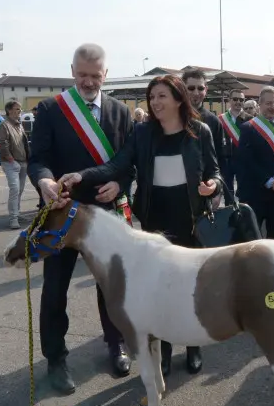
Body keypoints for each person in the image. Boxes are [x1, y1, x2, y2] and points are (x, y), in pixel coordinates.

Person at [59, 74, 221, 377]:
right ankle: (166, 348)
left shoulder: (200, 131)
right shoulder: (143, 132)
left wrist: (214, 185)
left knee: (191, 287)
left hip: (190, 220)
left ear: (177, 98)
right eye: (152, 97)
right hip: (154, 220)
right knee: (161, 288)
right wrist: (82, 175)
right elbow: (118, 164)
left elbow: (215, 170)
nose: (155, 102)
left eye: (162, 96)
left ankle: (194, 346)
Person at [27, 43, 134, 393]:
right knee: (55, 290)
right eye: (82, 74)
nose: (89, 82)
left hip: (105, 212)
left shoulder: (120, 111)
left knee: (111, 285)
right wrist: (43, 179)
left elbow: (129, 160)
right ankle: (56, 358)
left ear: (106, 74)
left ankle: (115, 343)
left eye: (96, 75)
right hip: (63, 212)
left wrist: (120, 182)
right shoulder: (51, 109)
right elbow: (38, 158)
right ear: (72, 71)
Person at [236, 86, 274, 239]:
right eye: (269, 103)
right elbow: (246, 161)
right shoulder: (248, 128)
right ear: (260, 104)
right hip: (255, 193)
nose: (273, 107)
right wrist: (268, 181)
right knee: (251, 240)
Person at [0, 100, 31, 229]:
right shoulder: (4, 125)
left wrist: (28, 158)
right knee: (15, 190)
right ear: (9, 110)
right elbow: (2, 143)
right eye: (17, 109)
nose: (19, 111)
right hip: (11, 163)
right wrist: (11, 160)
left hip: (22, 161)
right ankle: (13, 218)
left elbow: (24, 143)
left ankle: (17, 213)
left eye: (20, 109)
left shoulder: (19, 125)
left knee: (20, 190)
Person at [218, 89, 253, 203]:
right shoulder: (220, 119)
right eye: (235, 99)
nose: (238, 102)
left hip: (243, 161)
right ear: (229, 100)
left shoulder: (250, 119)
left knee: (244, 191)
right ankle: (230, 216)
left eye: (241, 100)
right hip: (226, 160)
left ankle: (244, 216)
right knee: (228, 192)